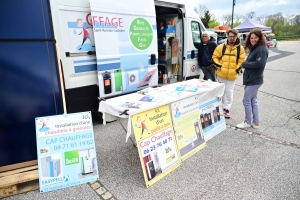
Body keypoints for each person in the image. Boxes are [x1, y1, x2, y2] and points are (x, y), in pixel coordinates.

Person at [236, 28, 269, 129]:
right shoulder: (255, 48)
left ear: (260, 38)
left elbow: (260, 63)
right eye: (251, 38)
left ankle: (247, 122)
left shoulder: (262, 49)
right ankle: (256, 123)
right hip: (253, 79)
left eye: (255, 38)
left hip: (254, 80)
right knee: (253, 100)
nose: (253, 40)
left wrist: (245, 64)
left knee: (246, 100)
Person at [212, 29, 245, 119]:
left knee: (229, 92)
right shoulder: (221, 47)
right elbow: (215, 57)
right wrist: (220, 66)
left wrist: (236, 69)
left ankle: (226, 109)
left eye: (233, 36)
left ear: (236, 37)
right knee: (220, 91)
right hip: (221, 74)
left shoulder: (240, 49)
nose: (232, 38)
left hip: (232, 76)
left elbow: (241, 61)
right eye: (230, 36)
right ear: (227, 36)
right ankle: (218, 107)